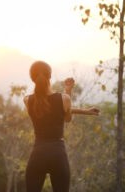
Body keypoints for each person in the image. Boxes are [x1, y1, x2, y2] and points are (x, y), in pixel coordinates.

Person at [23, 61, 100, 192]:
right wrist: (68, 92)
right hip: (58, 155)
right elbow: (66, 117)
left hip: (38, 154)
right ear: (50, 76)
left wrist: (85, 111)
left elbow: (50, 109)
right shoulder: (64, 98)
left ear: (32, 78)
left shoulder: (27, 100)